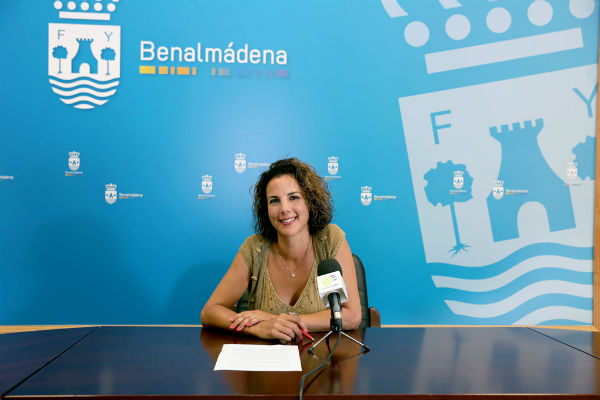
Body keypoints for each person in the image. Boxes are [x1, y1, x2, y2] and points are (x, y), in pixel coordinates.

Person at [201, 158, 362, 342]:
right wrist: (258, 328)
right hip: (267, 365)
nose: (285, 209)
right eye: (274, 201)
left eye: (293, 197)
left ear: (309, 201)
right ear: (266, 209)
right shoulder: (255, 249)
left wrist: (277, 320)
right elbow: (209, 312)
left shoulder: (330, 240)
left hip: (323, 362)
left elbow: (351, 316)